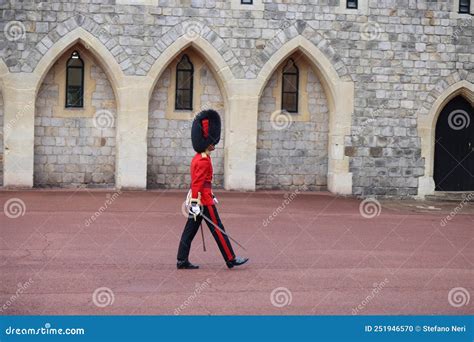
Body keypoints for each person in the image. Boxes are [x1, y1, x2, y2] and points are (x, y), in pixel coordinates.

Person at [177, 109, 249, 269]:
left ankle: (181, 260)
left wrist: (207, 195)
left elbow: (203, 183)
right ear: (206, 143)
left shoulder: (199, 158)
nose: (213, 144)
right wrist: (196, 203)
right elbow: (198, 183)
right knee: (218, 229)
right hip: (204, 202)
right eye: (211, 142)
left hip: (202, 199)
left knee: (189, 231)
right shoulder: (203, 161)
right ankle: (230, 258)